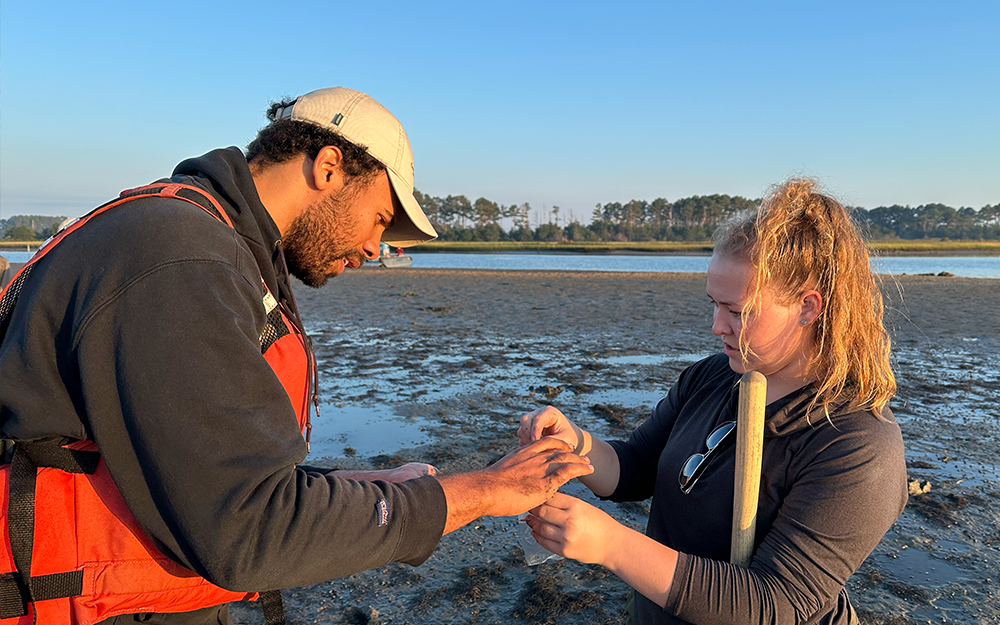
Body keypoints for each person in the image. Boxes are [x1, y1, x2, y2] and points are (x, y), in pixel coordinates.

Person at [0, 87, 592, 625]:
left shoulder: (209, 242)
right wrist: (482, 491)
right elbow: (248, 529)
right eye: (381, 218)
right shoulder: (181, 258)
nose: (374, 247)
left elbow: (204, 465)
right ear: (328, 166)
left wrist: (365, 483)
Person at [518, 179, 907, 624]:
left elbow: (774, 603)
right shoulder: (714, 376)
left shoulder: (857, 445)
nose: (717, 326)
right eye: (714, 305)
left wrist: (612, 545)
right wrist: (577, 444)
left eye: (738, 311)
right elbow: (635, 468)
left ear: (808, 307)